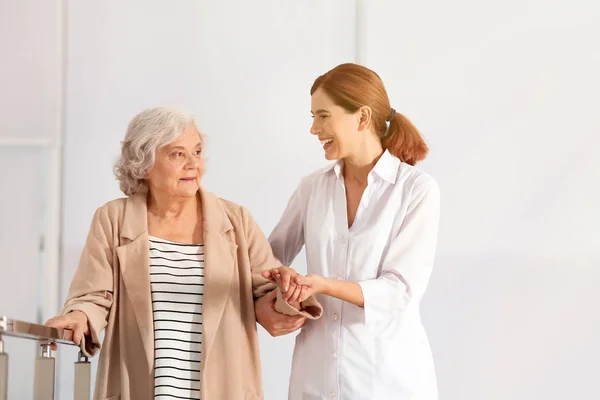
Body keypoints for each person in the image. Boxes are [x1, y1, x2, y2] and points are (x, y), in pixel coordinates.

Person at [45, 107, 322, 400]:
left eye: (198, 152)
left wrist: (287, 293)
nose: (194, 164)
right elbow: (94, 296)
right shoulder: (113, 219)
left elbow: (267, 301)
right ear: (145, 163)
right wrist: (78, 317)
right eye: (178, 154)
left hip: (223, 388)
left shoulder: (236, 220)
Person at [262, 63, 441, 399]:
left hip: (387, 380)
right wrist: (281, 280)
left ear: (361, 118)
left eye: (323, 116)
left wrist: (324, 284)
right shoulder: (312, 188)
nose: (314, 128)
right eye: (312, 116)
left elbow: (401, 291)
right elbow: (268, 254)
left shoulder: (415, 190)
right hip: (315, 380)